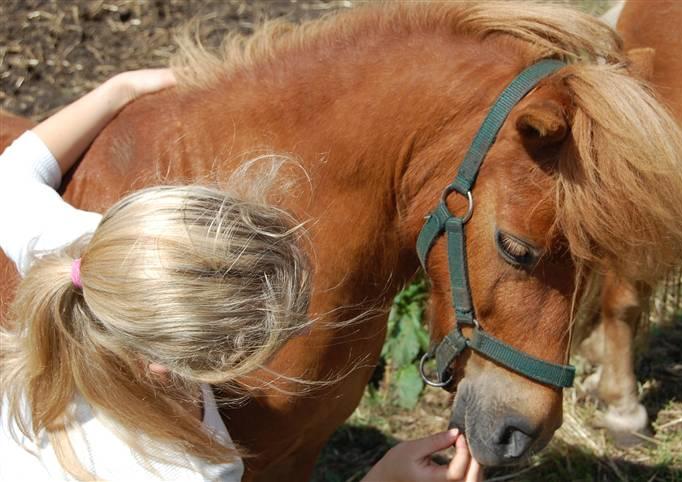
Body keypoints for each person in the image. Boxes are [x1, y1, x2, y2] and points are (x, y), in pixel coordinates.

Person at [0, 69, 483, 481]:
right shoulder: (179, 469)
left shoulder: (94, 254)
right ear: (174, 366)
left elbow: (11, 175)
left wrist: (120, 88)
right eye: (260, 345)